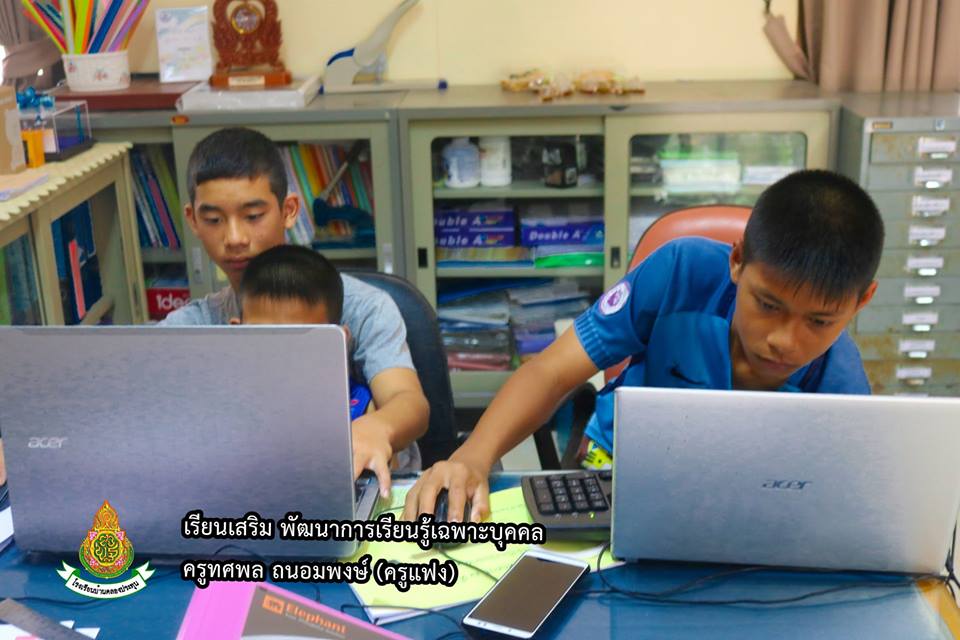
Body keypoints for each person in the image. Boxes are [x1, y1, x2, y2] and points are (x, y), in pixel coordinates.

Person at [403, 169, 885, 523]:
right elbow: (551, 372)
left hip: (745, 511)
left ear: (861, 301)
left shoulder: (840, 379)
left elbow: (840, 503)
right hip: (616, 476)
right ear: (738, 261)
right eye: (768, 304)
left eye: (819, 321)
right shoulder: (679, 273)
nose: (784, 340)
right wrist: (473, 457)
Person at [161, 127, 429, 496]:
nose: (234, 238)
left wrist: (376, 428)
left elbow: (409, 403)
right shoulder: (188, 328)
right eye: (213, 220)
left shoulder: (365, 307)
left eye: (253, 215)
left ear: (288, 211)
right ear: (192, 220)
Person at [231, 244, 375, 424]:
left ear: (340, 342)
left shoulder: (360, 408)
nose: (280, 358)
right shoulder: (225, 405)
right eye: (264, 338)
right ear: (235, 335)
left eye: (299, 342)